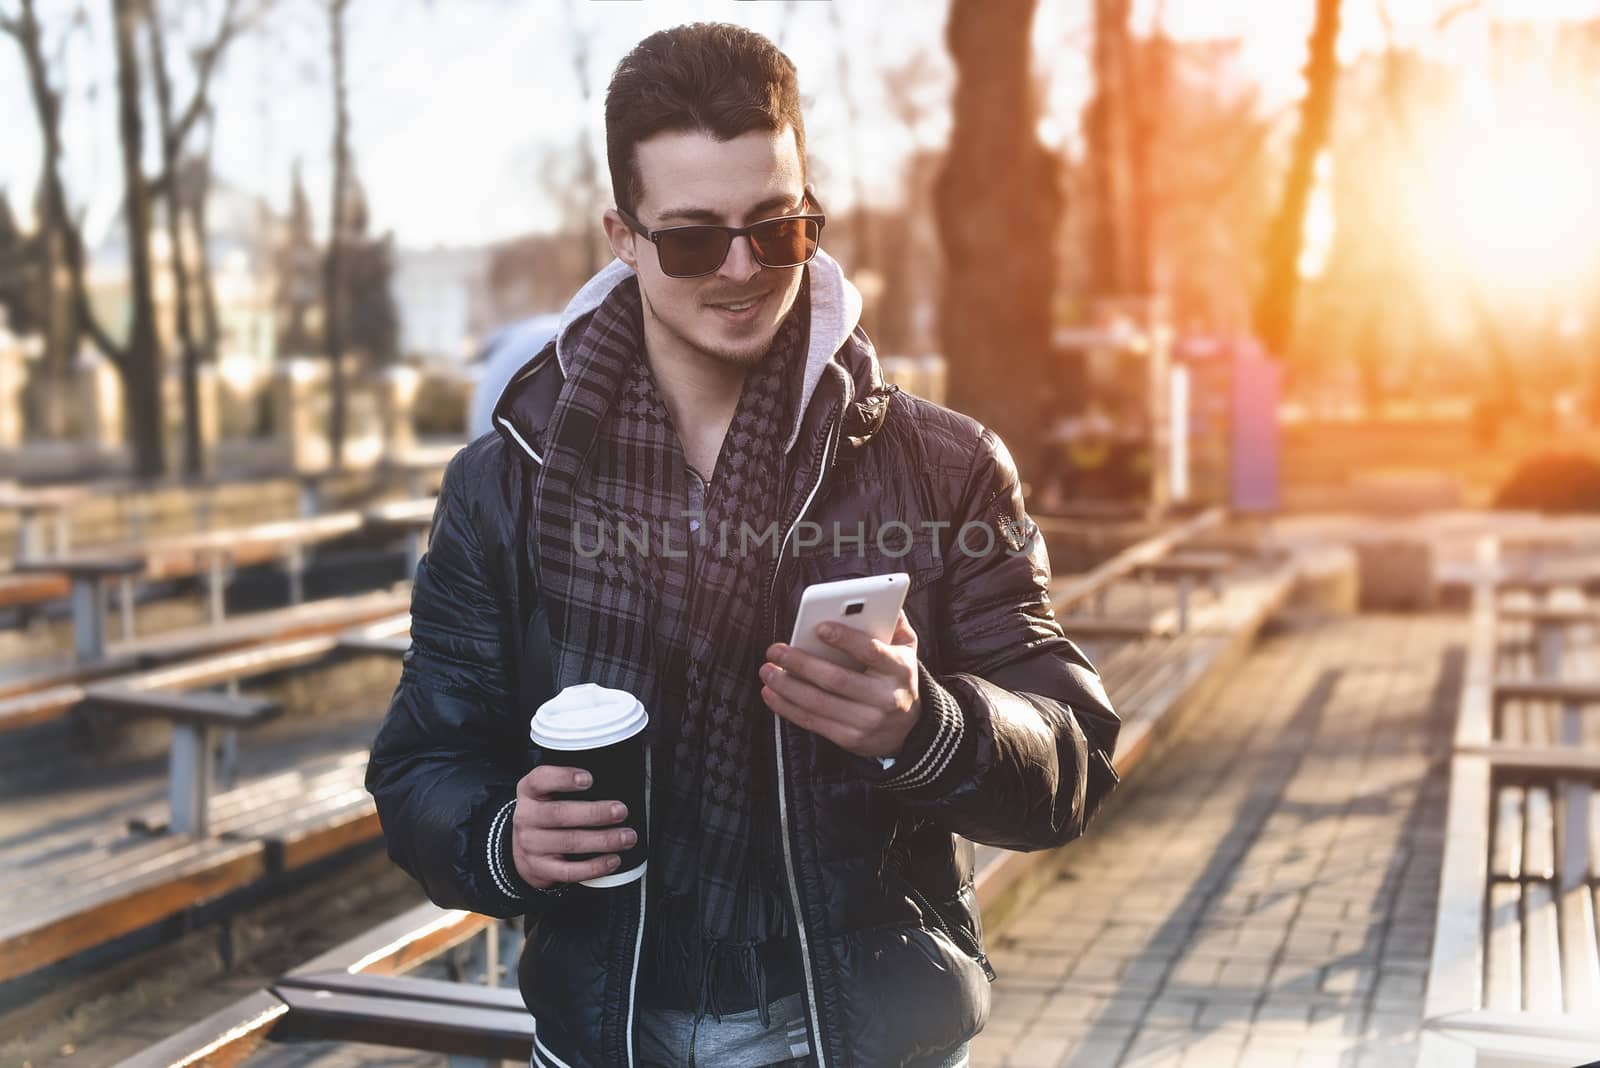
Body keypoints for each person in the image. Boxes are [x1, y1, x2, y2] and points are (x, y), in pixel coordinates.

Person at [365, 22, 1120, 1068]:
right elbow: (422, 764)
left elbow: (1073, 758)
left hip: (863, 1038)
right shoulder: (504, 484)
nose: (738, 269)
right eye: (690, 237)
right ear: (621, 235)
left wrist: (928, 724)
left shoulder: (943, 467)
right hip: (603, 1040)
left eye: (775, 228)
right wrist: (504, 839)